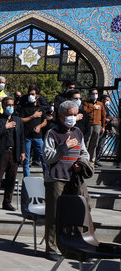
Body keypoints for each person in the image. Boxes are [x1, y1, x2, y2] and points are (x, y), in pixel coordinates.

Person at [43, 99, 89, 261]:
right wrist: (64, 147)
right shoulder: (52, 133)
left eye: (75, 115)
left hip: (73, 179)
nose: (73, 118)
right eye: (70, 115)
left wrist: (81, 164)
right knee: (54, 215)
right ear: (61, 115)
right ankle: (51, 249)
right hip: (56, 179)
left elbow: (84, 153)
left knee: (75, 214)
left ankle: (72, 247)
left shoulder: (78, 132)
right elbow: (48, 157)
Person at [0, 97, 25, 211]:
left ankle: (7, 202)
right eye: (8, 105)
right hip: (1, 152)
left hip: (14, 153)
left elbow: (21, 137)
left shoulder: (17, 120)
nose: (11, 107)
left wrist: (23, 151)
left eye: (12, 105)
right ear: (3, 106)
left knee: (11, 179)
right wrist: (5, 127)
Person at [20, 85, 48, 177]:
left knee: (43, 159)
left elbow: (45, 121)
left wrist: (40, 126)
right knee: (26, 160)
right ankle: (27, 179)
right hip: (27, 136)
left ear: (37, 96)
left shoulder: (41, 108)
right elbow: (21, 120)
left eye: (33, 94)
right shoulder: (25, 108)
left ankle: (46, 179)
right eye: (29, 94)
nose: (31, 96)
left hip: (38, 137)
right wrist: (33, 116)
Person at [83, 88, 107, 164]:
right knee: (87, 142)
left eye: (96, 93)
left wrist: (103, 126)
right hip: (89, 125)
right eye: (93, 93)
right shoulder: (86, 103)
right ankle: (84, 159)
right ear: (90, 95)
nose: (95, 95)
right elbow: (85, 111)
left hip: (97, 125)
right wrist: (93, 108)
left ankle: (92, 160)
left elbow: (103, 116)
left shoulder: (100, 104)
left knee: (94, 143)